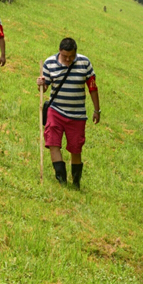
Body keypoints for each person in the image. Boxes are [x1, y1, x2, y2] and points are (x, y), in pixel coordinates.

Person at [36, 38, 101, 189]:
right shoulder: (49, 63)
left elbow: (92, 87)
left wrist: (97, 110)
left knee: (75, 148)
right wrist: (41, 84)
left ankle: (76, 182)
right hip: (55, 111)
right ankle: (61, 180)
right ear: (59, 51)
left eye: (71, 56)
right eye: (65, 56)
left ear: (75, 53)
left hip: (77, 115)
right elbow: (44, 88)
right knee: (53, 143)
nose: (68, 59)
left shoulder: (85, 63)